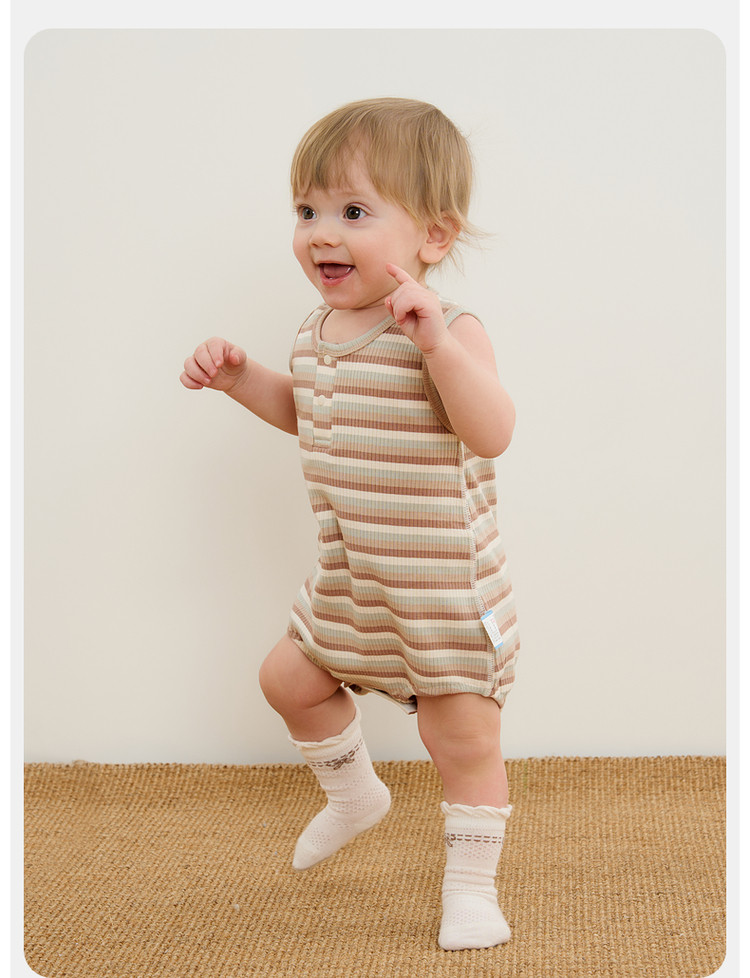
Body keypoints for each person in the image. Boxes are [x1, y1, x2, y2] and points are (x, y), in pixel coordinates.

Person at [180, 97, 520, 952]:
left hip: (441, 587)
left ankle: (472, 890)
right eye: (307, 211)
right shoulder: (317, 331)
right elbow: (312, 414)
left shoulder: (447, 331)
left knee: (460, 735)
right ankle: (353, 793)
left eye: (354, 213)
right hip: (354, 576)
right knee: (287, 680)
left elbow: (492, 432)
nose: (321, 234)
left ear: (433, 236)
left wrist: (438, 347)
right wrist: (243, 379)